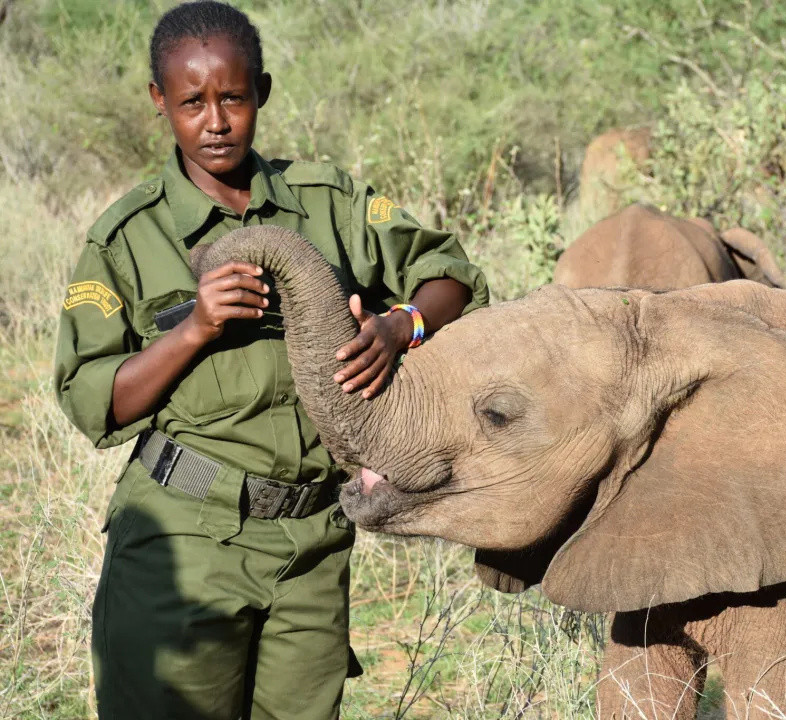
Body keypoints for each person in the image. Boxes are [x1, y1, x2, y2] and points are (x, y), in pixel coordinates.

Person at [52, 2, 489, 718]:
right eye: (192, 102)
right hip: (188, 535)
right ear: (160, 103)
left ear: (263, 91)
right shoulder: (127, 238)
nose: (215, 120)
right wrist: (193, 327)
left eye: (233, 97)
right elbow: (94, 399)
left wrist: (399, 325)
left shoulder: (329, 202)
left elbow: (450, 273)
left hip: (315, 541)